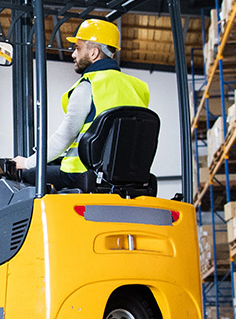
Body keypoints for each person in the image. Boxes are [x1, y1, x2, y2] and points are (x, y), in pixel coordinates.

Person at [9, 18, 150, 191]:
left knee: (23, 176)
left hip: (82, 173)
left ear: (94, 53)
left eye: (77, 48)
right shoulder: (139, 87)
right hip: (125, 177)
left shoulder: (88, 85)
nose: (73, 54)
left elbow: (64, 137)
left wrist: (27, 163)